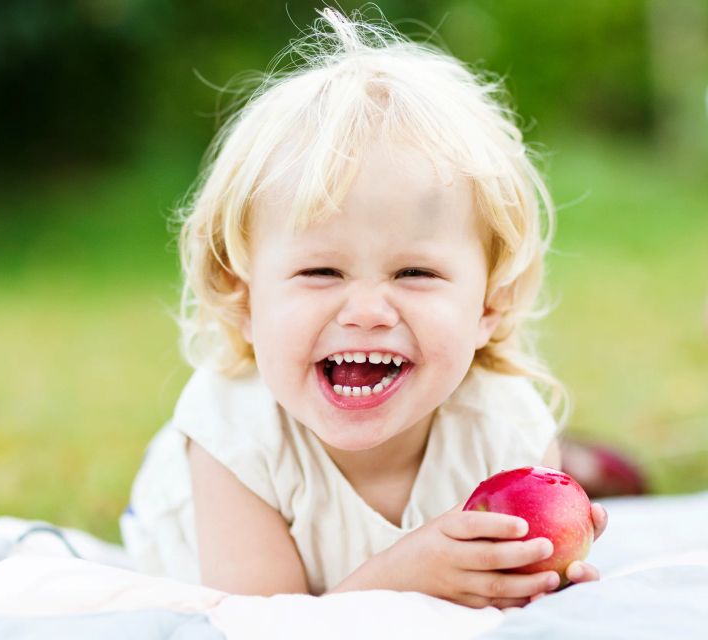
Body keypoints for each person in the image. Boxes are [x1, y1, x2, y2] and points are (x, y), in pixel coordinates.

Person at [120, 8, 607, 609]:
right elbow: (263, 625)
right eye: (321, 271)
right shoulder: (233, 436)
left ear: (490, 303)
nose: (369, 310)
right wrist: (403, 574)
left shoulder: (506, 430)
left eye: (416, 272)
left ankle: (595, 465)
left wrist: (540, 581)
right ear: (242, 295)